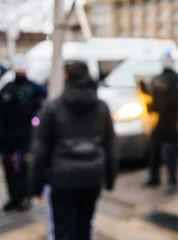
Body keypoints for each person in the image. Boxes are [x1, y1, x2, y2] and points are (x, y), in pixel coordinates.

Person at [31, 61, 117, 240]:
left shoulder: (52, 107)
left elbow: (41, 149)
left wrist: (36, 185)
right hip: (92, 177)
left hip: (62, 179)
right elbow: (110, 145)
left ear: (67, 78)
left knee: (63, 230)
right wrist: (109, 178)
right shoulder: (102, 108)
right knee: (85, 226)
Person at [0, 56, 46, 212]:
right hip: (9, 134)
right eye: (18, 67)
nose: (20, 70)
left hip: (26, 133)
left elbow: (43, 105)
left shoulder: (34, 88)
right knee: (8, 165)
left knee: (24, 164)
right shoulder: (8, 88)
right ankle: (14, 196)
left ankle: (25, 196)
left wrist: (36, 121)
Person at [142, 52, 178, 195]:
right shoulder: (162, 78)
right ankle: (155, 176)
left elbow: (173, 102)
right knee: (154, 150)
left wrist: (155, 106)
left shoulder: (175, 79)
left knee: (170, 152)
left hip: (169, 120)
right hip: (160, 120)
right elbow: (154, 96)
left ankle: (172, 180)